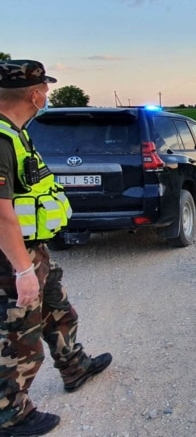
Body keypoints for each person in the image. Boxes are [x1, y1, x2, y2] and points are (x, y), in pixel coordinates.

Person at [0, 60, 112, 436]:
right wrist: (22, 270)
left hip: (33, 249)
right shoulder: (1, 139)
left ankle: (74, 366)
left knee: (59, 310)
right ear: (33, 94)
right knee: (20, 336)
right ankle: (11, 415)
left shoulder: (18, 132)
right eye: (45, 90)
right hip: (11, 255)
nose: (47, 95)